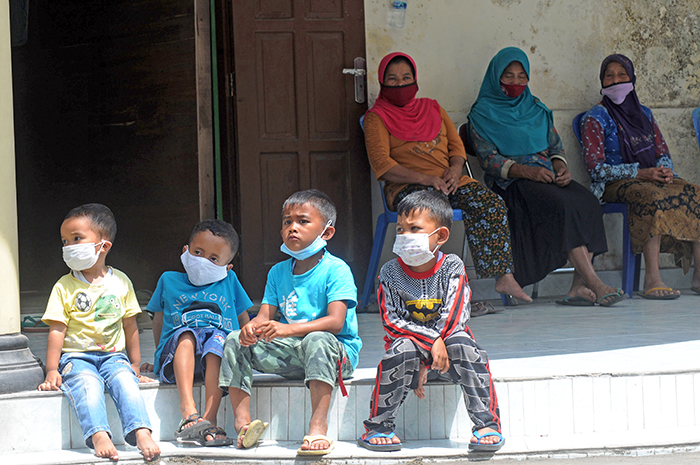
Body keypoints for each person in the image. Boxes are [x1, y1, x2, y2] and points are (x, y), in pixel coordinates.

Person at [364, 51, 532, 305]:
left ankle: (503, 276)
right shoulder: (377, 117)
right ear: (382, 82)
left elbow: (457, 148)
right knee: (425, 214)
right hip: (407, 187)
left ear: (416, 79)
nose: (400, 84)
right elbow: (383, 165)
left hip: (448, 182)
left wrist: (455, 170)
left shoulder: (432, 108)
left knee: (490, 203)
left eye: (406, 78)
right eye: (393, 79)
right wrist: (426, 178)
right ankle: (428, 293)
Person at [467, 46, 627, 307]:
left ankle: (577, 286)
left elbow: (555, 146)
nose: (516, 82)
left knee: (587, 202)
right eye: (508, 76)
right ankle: (596, 284)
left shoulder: (536, 108)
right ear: (496, 77)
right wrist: (527, 171)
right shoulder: (482, 114)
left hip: (546, 176)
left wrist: (561, 168)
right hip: (513, 183)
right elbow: (489, 160)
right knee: (562, 206)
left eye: (522, 76)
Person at [358, 190, 504, 453]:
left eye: (414, 229)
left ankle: (487, 424)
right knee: (400, 348)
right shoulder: (390, 272)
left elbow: (455, 316)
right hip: (410, 362)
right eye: (400, 229)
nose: (404, 236)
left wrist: (436, 345)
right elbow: (393, 322)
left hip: (449, 357)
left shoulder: (452, 266)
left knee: (465, 344)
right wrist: (429, 345)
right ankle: (378, 427)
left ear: (441, 236)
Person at [219, 189, 361, 455]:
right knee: (234, 339)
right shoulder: (278, 271)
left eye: (303, 221)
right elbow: (265, 316)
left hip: (335, 356)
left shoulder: (336, 269)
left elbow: (336, 322)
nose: (292, 228)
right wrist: (252, 329)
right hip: (293, 354)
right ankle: (243, 424)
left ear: (327, 233)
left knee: (317, 339)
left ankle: (318, 427)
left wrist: (288, 329)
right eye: (287, 222)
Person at [37, 204, 160, 462]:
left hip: (114, 356)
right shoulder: (63, 286)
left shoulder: (121, 282)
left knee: (126, 383)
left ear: (103, 246)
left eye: (77, 239)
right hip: (76, 357)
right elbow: (57, 330)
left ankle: (141, 431)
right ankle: (99, 434)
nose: (69, 246)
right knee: (87, 386)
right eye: (65, 241)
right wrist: (51, 369)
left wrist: (135, 364)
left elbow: (130, 325)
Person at [580, 53, 700, 299]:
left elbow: (662, 152)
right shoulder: (595, 117)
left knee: (696, 193)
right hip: (613, 185)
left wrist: (665, 170)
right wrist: (639, 172)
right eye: (609, 76)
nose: (615, 81)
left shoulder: (644, 114)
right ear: (602, 82)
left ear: (632, 78)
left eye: (621, 75)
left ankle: (699, 274)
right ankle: (652, 277)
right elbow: (595, 169)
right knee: (651, 196)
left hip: (650, 177)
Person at [140, 219, 253, 446]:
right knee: (186, 334)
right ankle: (188, 411)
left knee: (218, 340)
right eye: (198, 252)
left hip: (218, 357)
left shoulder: (230, 280)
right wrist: (159, 355)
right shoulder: (168, 279)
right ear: (185, 251)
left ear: (227, 267)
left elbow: (243, 319)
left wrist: (247, 351)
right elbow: (158, 319)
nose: (203, 262)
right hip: (179, 356)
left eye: (213, 259)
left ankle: (209, 420)